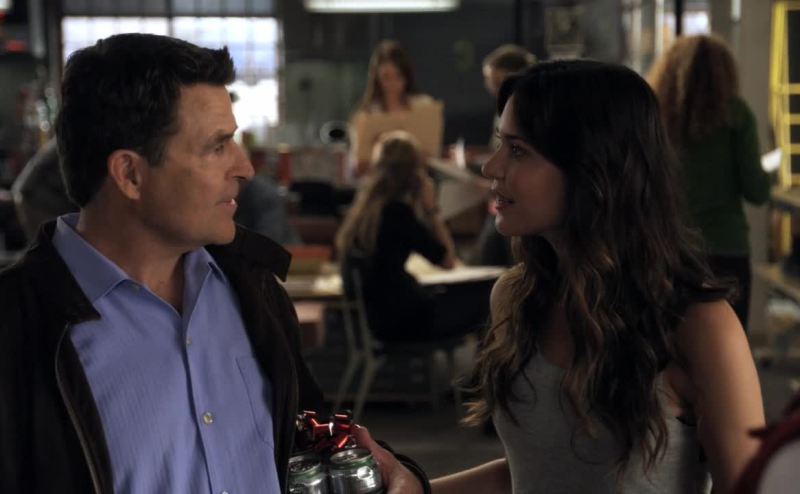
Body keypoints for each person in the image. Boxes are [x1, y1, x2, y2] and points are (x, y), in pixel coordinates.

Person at [0, 33, 427, 494]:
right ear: (130, 174)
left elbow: (309, 436)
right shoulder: (17, 330)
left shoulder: (252, 289)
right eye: (217, 146)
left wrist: (395, 475)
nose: (245, 167)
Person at [356, 60, 766, 493]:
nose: (491, 167)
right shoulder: (515, 298)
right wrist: (413, 488)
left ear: (592, 166)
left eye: (518, 150)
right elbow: (534, 473)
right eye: (501, 144)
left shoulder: (697, 327)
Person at [648, 34, 771, 331]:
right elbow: (757, 191)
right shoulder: (736, 115)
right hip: (726, 249)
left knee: (670, 342)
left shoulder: (656, 115)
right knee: (729, 343)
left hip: (669, 248)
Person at [336, 130, 489, 342]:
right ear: (414, 174)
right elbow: (447, 261)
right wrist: (431, 209)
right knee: (489, 298)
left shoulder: (364, 214)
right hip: (407, 323)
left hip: (379, 322)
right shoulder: (398, 214)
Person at [472, 44, 537, 267]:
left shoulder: (526, 114)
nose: (491, 87)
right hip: (498, 202)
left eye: (497, 81)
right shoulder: (503, 109)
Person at [349, 40, 437, 176]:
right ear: (377, 78)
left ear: (406, 76)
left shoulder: (423, 107)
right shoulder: (368, 114)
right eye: (386, 77)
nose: (392, 83)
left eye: (398, 76)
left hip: (414, 180)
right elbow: (357, 167)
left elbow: (432, 156)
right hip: (380, 180)